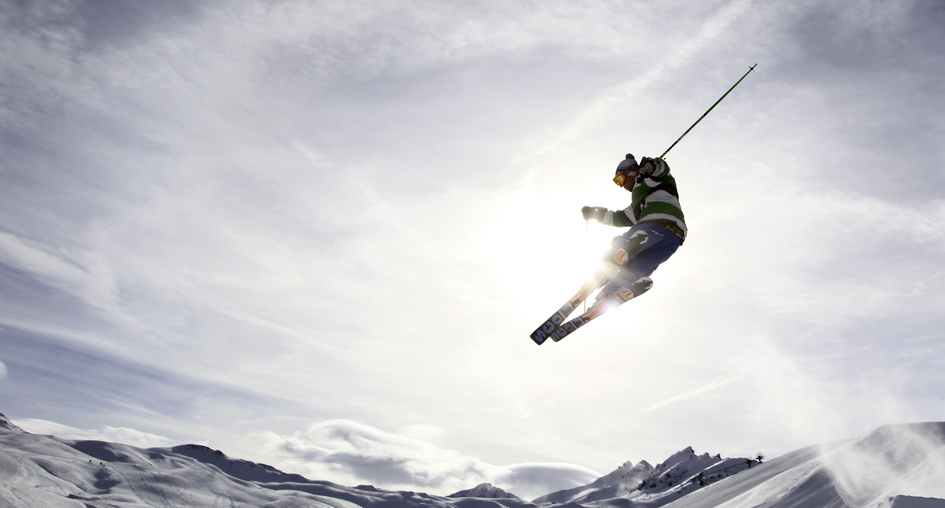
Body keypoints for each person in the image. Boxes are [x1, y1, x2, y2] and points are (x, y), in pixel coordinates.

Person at [581, 153, 686, 307]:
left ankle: (605, 267)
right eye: (617, 183)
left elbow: (661, 170)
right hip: (674, 238)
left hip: (656, 224)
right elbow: (622, 218)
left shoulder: (647, 180)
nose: (621, 185)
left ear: (631, 171)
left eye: (620, 179)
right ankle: (608, 296)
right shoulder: (639, 202)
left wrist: (650, 165)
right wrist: (597, 215)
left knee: (619, 243)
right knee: (635, 270)